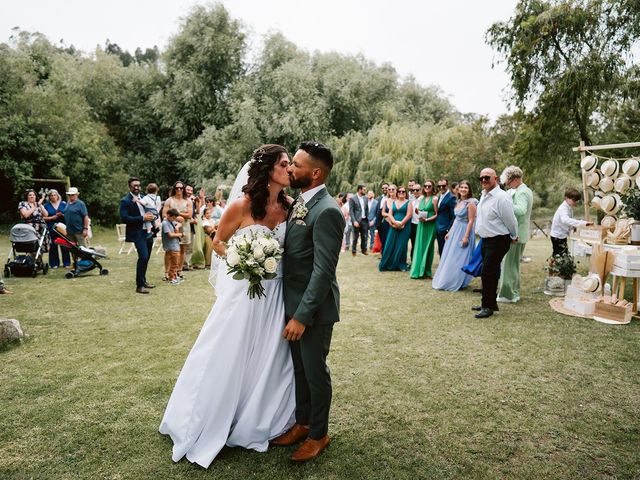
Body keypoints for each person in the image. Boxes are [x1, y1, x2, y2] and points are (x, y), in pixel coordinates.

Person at [159, 144, 295, 468]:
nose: (290, 169)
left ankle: (259, 417)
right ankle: (205, 417)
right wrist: (243, 261)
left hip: (276, 294)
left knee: (269, 356)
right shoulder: (241, 206)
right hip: (245, 293)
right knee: (228, 352)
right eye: (285, 164)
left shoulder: (291, 207)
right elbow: (217, 242)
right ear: (268, 170)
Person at [272, 141, 344, 463]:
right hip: (292, 303)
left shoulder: (328, 210)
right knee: (299, 369)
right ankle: (302, 423)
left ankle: (319, 434)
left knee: (315, 373)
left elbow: (323, 272)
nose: (290, 169)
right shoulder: (301, 201)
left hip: (313, 311)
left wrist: (301, 316)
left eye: (296, 165)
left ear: (315, 173)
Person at [473, 168, 518, 319]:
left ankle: (487, 306)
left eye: (487, 177)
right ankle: (490, 303)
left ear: (495, 178)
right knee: (489, 273)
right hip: (486, 240)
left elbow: (510, 220)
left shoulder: (501, 197)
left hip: (498, 240)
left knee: (487, 272)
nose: (484, 180)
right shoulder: (484, 195)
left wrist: (514, 235)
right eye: (481, 178)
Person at [432, 180, 478, 291]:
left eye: (466, 187)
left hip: (464, 231)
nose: (463, 189)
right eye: (461, 187)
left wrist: (466, 237)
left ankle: (457, 280)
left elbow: (471, 221)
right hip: (455, 232)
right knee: (451, 256)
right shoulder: (458, 202)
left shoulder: (471, 203)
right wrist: (449, 232)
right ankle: (448, 278)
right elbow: (456, 220)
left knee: (460, 257)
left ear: (469, 190)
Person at [498, 166, 534, 303]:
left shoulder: (523, 192)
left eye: (509, 181)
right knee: (512, 265)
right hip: (516, 233)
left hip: (517, 235)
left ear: (516, 179)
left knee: (510, 265)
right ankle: (512, 292)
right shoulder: (519, 190)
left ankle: (508, 295)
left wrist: (504, 204)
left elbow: (521, 210)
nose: (508, 184)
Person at [120, 177, 156, 294]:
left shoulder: (143, 199)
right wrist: (142, 218)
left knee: (147, 258)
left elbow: (151, 211)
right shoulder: (125, 201)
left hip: (148, 231)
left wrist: (152, 217)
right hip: (138, 233)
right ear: (129, 187)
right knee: (143, 257)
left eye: (138, 185)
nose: (137, 187)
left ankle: (143, 281)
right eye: (134, 185)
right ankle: (139, 286)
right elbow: (125, 218)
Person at [162, 181, 193, 278]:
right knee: (169, 250)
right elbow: (164, 214)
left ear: (183, 189)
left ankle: (179, 270)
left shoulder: (188, 201)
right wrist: (175, 218)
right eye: (177, 188)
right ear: (174, 189)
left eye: (181, 188)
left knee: (182, 249)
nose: (179, 190)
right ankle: (167, 272)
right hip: (171, 226)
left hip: (184, 227)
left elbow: (189, 215)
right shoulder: (169, 200)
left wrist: (177, 214)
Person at [378, 185, 412, 271]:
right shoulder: (393, 202)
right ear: (397, 193)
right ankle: (388, 263)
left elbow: (409, 215)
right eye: (399, 191)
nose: (401, 193)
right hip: (393, 226)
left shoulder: (409, 202)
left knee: (401, 245)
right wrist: (394, 223)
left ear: (405, 193)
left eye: (403, 191)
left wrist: (401, 223)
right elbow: (390, 214)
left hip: (404, 226)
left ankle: (400, 264)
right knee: (390, 244)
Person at [549, 188, 592, 256]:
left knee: (558, 253)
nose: (575, 202)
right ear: (566, 198)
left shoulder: (569, 207)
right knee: (559, 254)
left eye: (576, 200)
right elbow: (565, 220)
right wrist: (582, 223)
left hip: (561, 235)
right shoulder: (563, 208)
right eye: (574, 200)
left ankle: (552, 264)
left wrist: (574, 227)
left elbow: (569, 221)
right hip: (557, 236)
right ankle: (554, 265)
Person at [410, 180, 438, 279]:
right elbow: (421, 211)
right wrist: (418, 212)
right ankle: (418, 271)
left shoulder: (434, 199)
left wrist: (427, 219)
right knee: (419, 247)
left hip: (430, 225)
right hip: (421, 225)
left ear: (432, 187)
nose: (427, 187)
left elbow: (436, 214)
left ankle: (426, 271)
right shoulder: (421, 198)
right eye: (425, 186)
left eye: (429, 186)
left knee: (428, 248)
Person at [42, 189, 71, 269]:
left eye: (55, 195)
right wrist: (51, 218)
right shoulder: (46, 205)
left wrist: (62, 215)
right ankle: (54, 264)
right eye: (51, 195)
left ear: (58, 195)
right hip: (51, 227)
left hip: (62, 227)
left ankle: (66, 263)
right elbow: (42, 217)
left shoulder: (64, 204)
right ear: (49, 197)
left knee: (64, 244)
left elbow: (68, 214)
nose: (53, 196)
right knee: (53, 246)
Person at [162, 208, 183, 285]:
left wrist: (177, 227)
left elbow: (180, 222)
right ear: (168, 215)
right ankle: (171, 278)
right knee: (174, 263)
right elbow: (170, 235)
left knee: (175, 263)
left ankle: (174, 276)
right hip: (171, 246)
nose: (174, 219)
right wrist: (179, 234)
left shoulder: (171, 221)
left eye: (175, 218)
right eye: (173, 218)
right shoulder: (165, 223)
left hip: (175, 245)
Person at [435, 179, 457, 256]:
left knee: (445, 251)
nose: (441, 187)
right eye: (439, 186)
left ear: (447, 186)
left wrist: (449, 229)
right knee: (441, 249)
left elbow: (454, 215)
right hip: (438, 228)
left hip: (445, 229)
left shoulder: (451, 198)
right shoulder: (439, 197)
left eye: (443, 186)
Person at [348, 184, 369, 256]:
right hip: (356, 220)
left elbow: (366, 209)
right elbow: (351, 211)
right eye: (364, 190)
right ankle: (353, 251)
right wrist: (354, 221)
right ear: (359, 190)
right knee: (355, 236)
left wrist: (367, 218)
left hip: (364, 220)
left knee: (364, 236)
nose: (365, 191)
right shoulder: (353, 198)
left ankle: (364, 250)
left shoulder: (366, 198)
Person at [374, 183, 389, 254]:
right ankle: (383, 253)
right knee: (382, 239)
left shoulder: (390, 198)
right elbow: (377, 210)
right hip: (379, 222)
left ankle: (386, 253)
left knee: (387, 239)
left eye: (386, 188)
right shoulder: (379, 198)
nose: (384, 189)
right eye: (383, 188)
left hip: (388, 220)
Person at [408, 181, 421, 260]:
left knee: (419, 244)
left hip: (420, 224)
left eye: (417, 190)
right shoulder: (412, 201)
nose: (415, 192)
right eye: (413, 190)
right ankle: (413, 261)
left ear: (421, 190)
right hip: (412, 225)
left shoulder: (423, 200)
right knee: (413, 244)